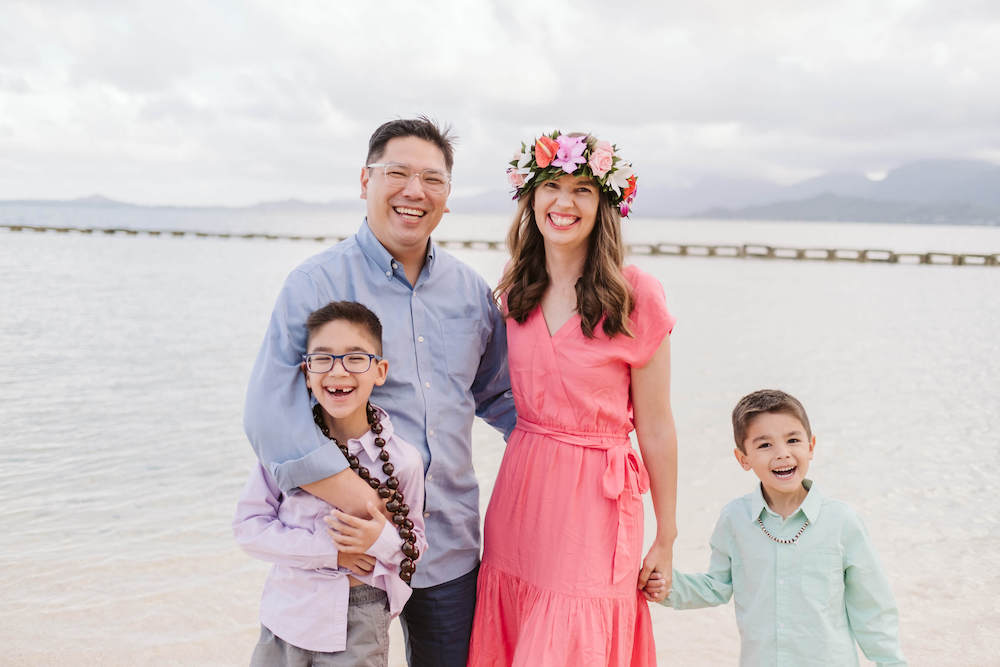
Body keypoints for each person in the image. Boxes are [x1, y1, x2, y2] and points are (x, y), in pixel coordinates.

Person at [242, 117, 517, 667]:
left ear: (447, 196)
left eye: (432, 179)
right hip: (349, 558)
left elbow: (501, 398)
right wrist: (369, 509)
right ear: (364, 181)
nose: (415, 191)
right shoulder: (315, 282)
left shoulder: (471, 292)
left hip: (451, 547)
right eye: (398, 173)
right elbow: (270, 412)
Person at [467, 132, 679, 666]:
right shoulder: (515, 294)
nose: (564, 202)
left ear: (604, 206)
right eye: (552, 187)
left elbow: (656, 429)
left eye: (583, 189)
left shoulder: (635, 296)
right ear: (530, 198)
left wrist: (667, 537)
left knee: (574, 636)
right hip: (522, 487)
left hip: (597, 501)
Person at [646, 389, 907, 666]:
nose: (782, 454)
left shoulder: (842, 522)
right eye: (764, 445)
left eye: (793, 440)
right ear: (743, 458)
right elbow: (715, 587)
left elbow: (872, 609)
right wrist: (665, 586)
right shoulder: (735, 519)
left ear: (811, 446)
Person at [234, 301, 428, 666]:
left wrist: (379, 539)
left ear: (380, 371)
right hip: (287, 613)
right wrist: (329, 552)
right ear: (306, 372)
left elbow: (414, 542)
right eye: (323, 359)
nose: (338, 372)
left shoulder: (402, 461)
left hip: (360, 616)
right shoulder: (284, 452)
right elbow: (248, 528)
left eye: (356, 359)